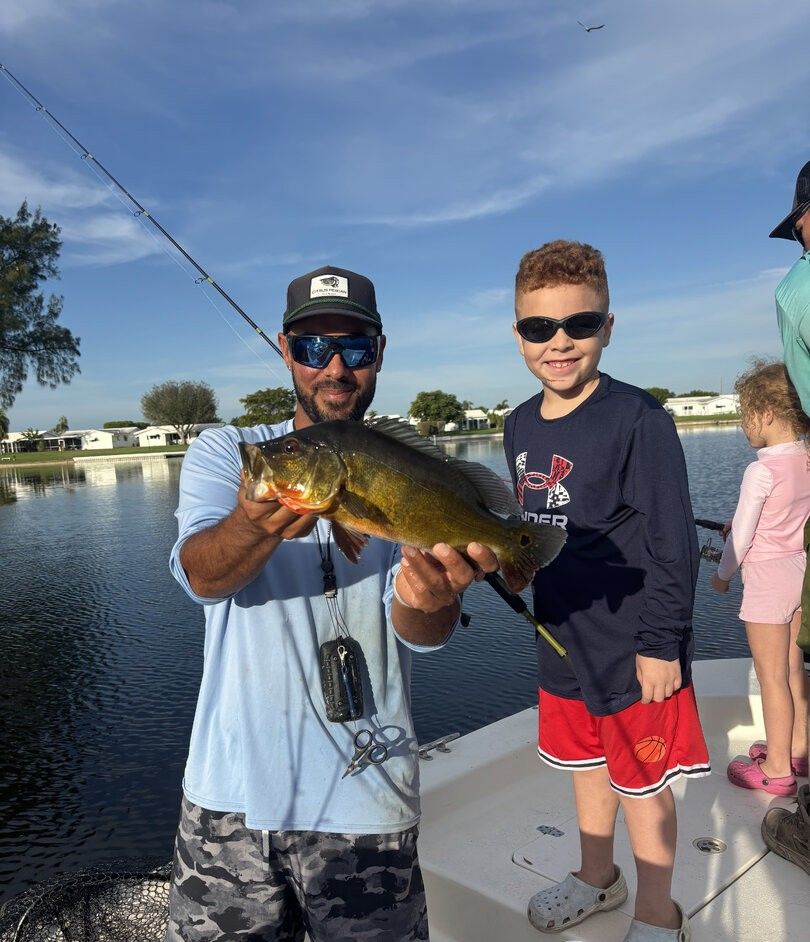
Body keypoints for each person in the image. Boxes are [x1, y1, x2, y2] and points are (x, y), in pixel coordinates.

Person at [165, 265, 500, 941]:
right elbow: (200, 575)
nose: (336, 367)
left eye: (356, 347)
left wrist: (431, 596)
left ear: (380, 354)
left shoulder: (404, 468)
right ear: (287, 352)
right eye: (315, 348)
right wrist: (253, 523)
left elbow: (423, 632)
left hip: (366, 802)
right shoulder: (226, 453)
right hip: (229, 805)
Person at [503, 240, 710, 941]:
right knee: (585, 768)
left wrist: (662, 645)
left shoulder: (639, 419)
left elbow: (673, 542)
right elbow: (532, 531)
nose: (559, 343)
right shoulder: (517, 424)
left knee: (641, 785)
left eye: (579, 326)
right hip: (560, 636)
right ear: (518, 334)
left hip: (633, 647)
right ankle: (598, 877)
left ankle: (658, 910)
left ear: (608, 327)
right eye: (539, 328)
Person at [710, 361, 810, 797]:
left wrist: (721, 576)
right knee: (793, 670)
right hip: (802, 573)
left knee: (770, 676)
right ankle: (800, 750)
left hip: (767, 581)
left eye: (745, 416)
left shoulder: (759, 470)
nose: (742, 426)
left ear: (766, 413)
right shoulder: (806, 459)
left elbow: (743, 538)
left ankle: (776, 769)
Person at [759, 159, 810, 873]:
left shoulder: (797, 291)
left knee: (782, 670)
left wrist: (731, 566)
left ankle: (784, 775)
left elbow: (744, 528)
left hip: (771, 586)